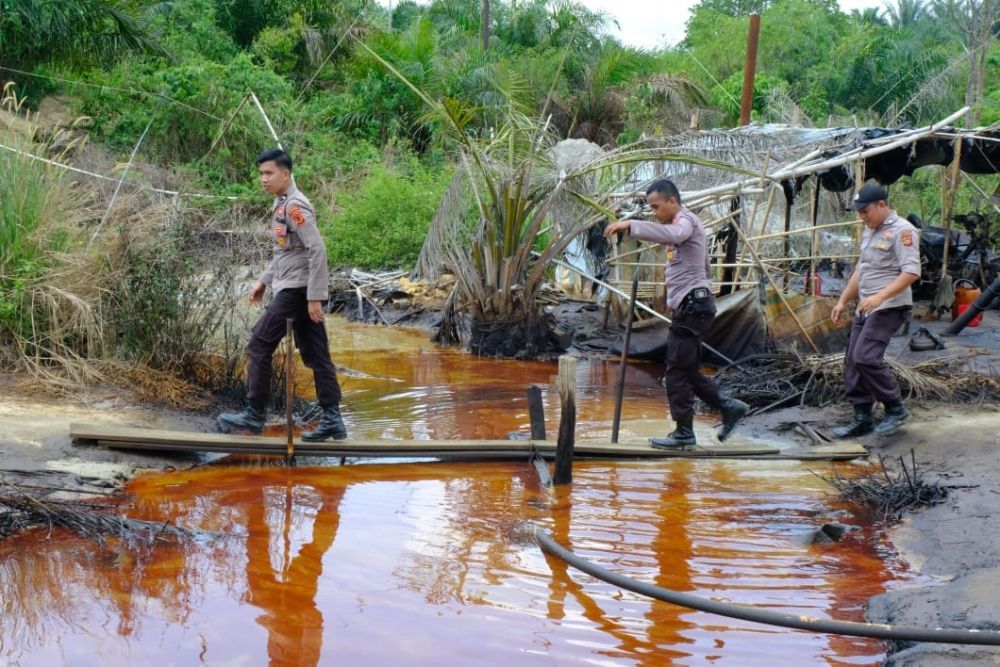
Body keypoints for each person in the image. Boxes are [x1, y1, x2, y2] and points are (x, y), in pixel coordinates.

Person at [604, 179, 748, 448]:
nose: (655, 213)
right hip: (692, 306)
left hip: (694, 306)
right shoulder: (679, 226)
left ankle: (684, 433)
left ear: (672, 201)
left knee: (675, 372)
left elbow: (674, 236)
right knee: (686, 369)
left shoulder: (686, 221)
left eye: (656, 207)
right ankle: (729, 406)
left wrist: (631, 225)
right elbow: (703, 267)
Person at [217, 148, 347, 441]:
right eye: (261, 174)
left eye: (268, 173)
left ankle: (254, 416)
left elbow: (317, 250)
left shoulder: (295, 207)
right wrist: (264, 280)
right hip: (293, 287)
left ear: (285, 174)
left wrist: (315, 297)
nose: (263, 179)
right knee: (318, 356)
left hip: (298, 292)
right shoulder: (281, 202)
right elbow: (286, 252)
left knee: (259, 346)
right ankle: (333, 420)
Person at [831, 183, 920, 438]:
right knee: (852, 361)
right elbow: (862, 269)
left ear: (882, 205)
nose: (862, 216)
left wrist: (880, 297)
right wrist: (842, 300)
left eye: (865, 211)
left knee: (866, 358)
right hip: (866, 305)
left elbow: (912, 272)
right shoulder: (870, 231)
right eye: (859, 212)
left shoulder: (903, 231)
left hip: (889, 306)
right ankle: (862, 417)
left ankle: (895, 408)